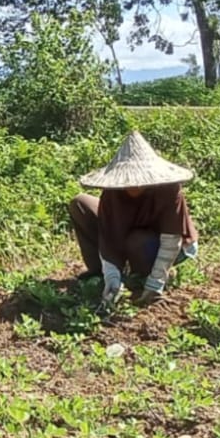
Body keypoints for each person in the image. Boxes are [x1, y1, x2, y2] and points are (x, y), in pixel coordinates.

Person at [69, 131, 199, 312]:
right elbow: (108, 235)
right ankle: (103, 274)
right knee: (80, 203)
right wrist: (112, 278)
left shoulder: (169, 189)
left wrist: (155, 283)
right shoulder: (113, 192)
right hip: (129, 235)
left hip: (161, 246)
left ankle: (147, 274)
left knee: (136, 240)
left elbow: (172, 239)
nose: (133, 186)